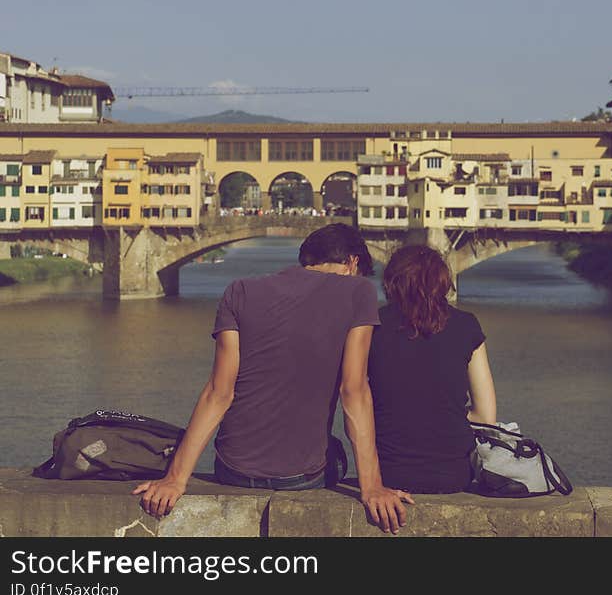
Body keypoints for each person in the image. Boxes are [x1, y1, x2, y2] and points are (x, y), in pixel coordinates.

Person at [133, 223, 414, 534]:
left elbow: (218, 392)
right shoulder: (357, 292)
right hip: (301, 477)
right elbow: (354, 391)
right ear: (353, 263)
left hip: (231, 469)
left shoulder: (238, 291)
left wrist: (175, 479)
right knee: (332, 451)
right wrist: (372, 486)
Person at [367, 244, 497, 494]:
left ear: (392, 282)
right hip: (453, 475)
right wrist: (442, 413)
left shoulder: (371, 325)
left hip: (388, 473)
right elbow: (485, 416)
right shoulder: (467, 326)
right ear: (442, 282)